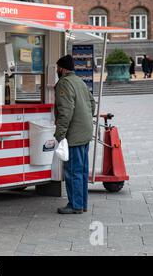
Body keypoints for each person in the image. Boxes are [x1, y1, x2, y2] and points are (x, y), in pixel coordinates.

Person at [54, 55, 96, 215]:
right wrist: (84, 119)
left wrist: (60, 134)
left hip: (74, 135)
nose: (57, 70)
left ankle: (75, 205)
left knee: (73, 171)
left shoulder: (64, 83)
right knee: (82, 170)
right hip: (85, 132)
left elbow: (65, 112)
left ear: (62, 68)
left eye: (58, 68)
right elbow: (92, 104)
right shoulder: (79, 81)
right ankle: (82, 203)